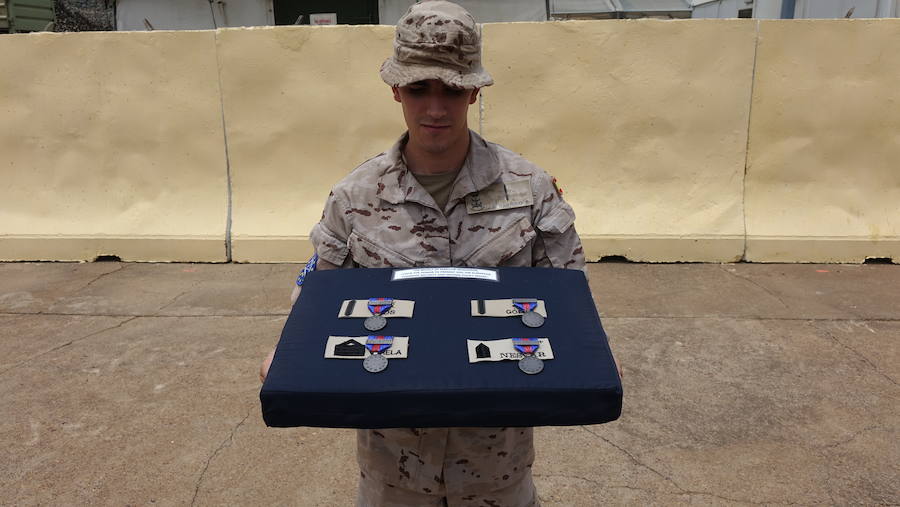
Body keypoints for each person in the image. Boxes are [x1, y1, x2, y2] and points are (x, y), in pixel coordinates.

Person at [261, 1, 596, 504]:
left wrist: (590, 357)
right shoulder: (354, 197)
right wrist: (289, 354)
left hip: (495, 463)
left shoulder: (532, 190)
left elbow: (569, 306)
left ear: (475, 91)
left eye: (453, 89)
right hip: (393, 466)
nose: (435, 108)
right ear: (395, 89)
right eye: (419, 89)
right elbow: (317, 301)